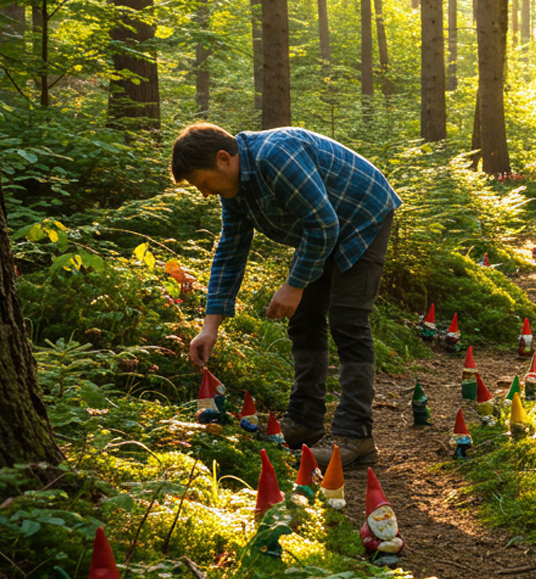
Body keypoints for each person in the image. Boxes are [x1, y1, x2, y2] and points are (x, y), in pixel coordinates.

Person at [172, 123, 401, 468]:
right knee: (304, 318)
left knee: (347, 320)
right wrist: (209, 327)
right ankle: (305, 420)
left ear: (223, 159)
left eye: (203, 183)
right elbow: (230, 252)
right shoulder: (235, 190)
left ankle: (356, 434)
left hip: (362, 214)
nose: (205, 193)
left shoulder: (276, 155)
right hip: (322, 229)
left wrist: (294, 286)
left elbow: (323, 225)